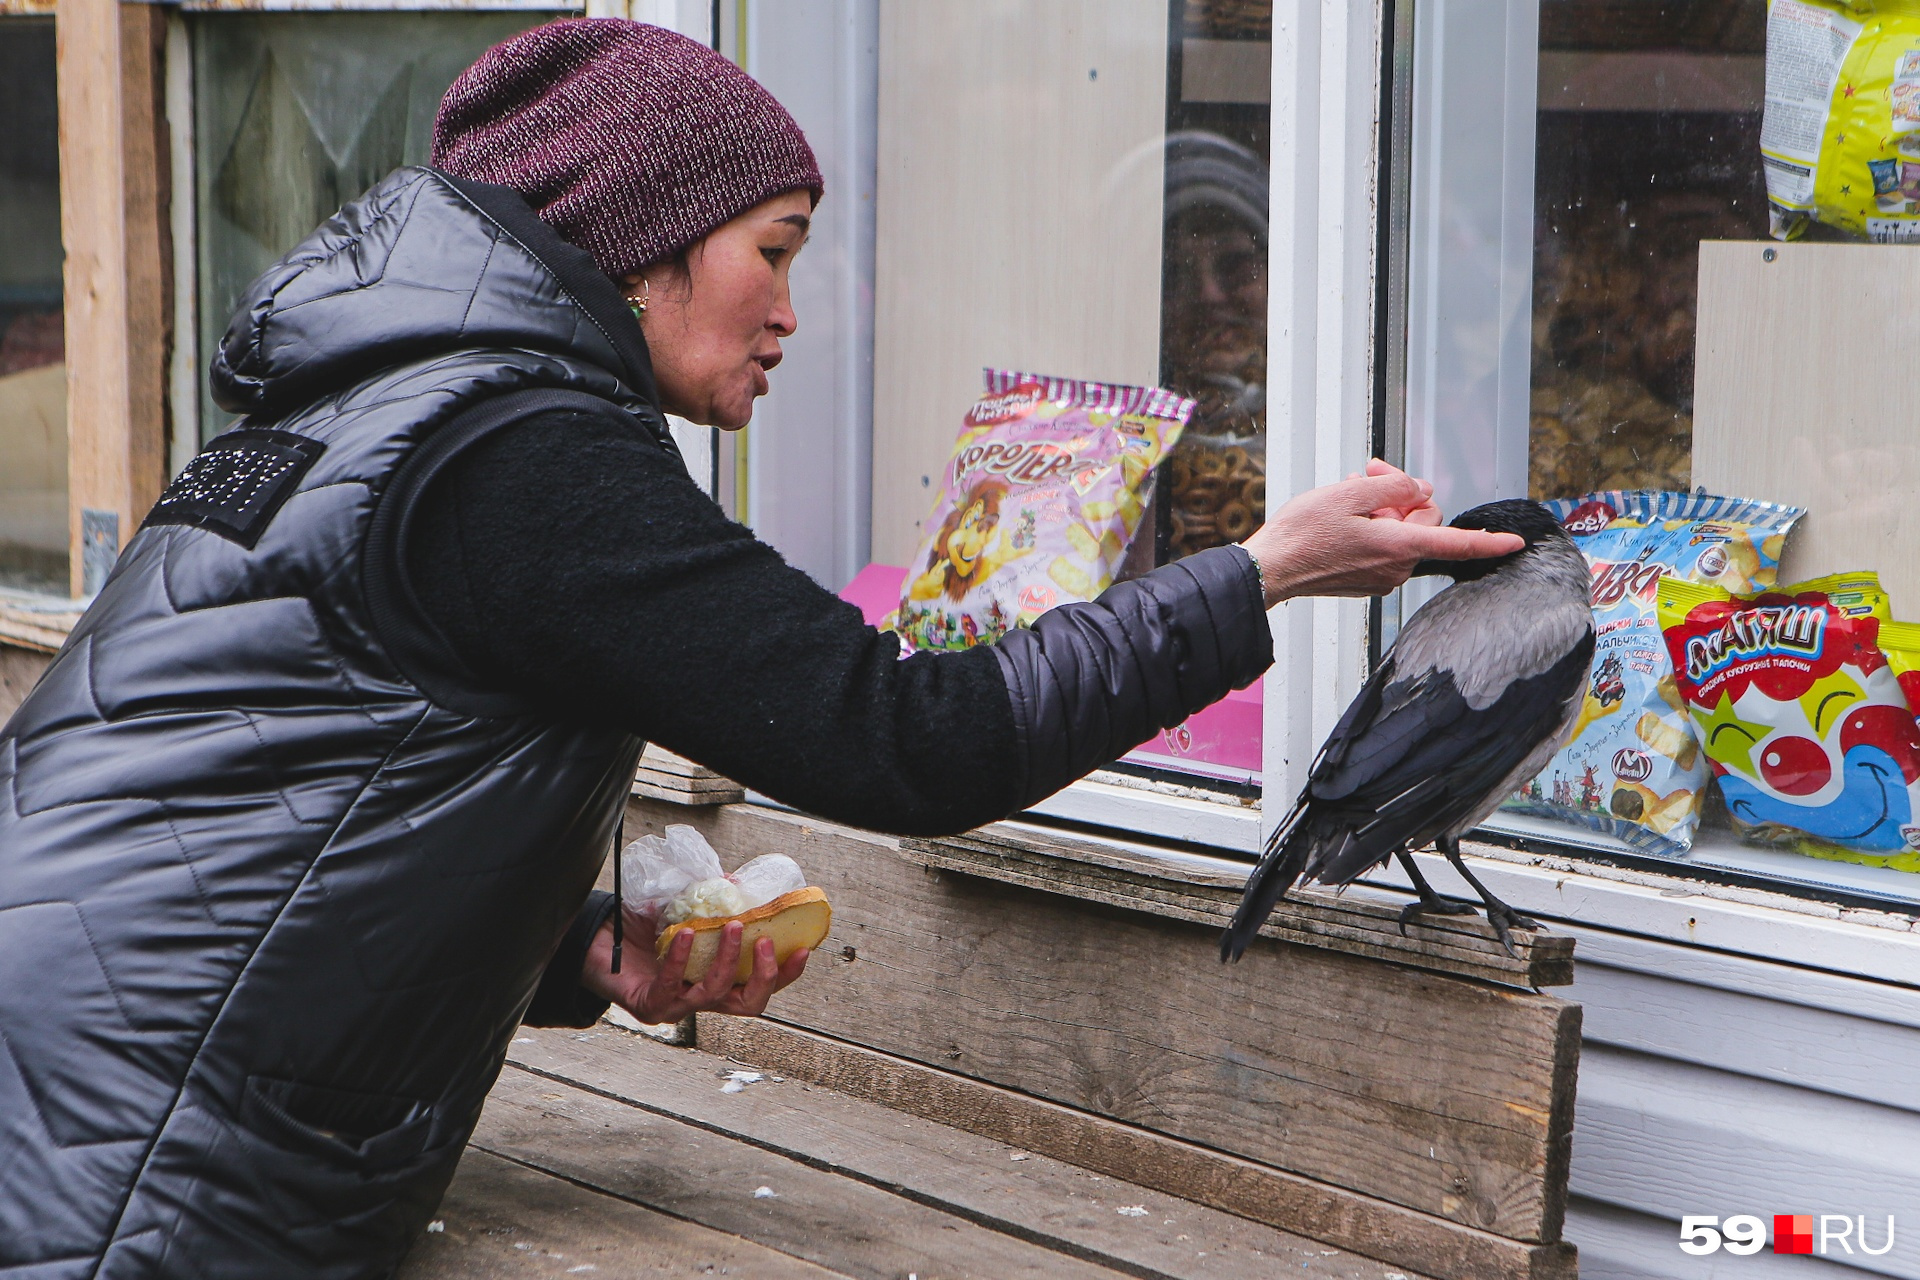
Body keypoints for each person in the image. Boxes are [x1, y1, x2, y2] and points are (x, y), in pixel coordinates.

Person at [0, 20, 1523, 1279]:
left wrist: (562, 952)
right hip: (129, 1167)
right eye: (772, 251)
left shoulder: (384, 406)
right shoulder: (528, 454)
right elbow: (908, 737)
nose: (794, 309)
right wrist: (1262, 575)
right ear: (643, 237)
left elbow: (273, 788)